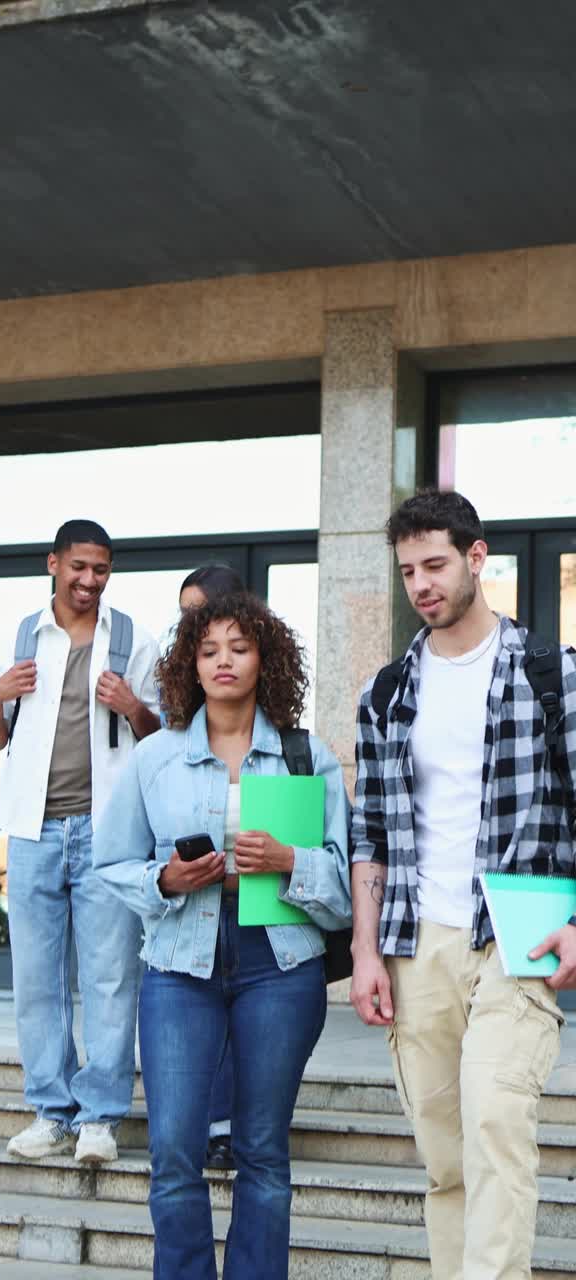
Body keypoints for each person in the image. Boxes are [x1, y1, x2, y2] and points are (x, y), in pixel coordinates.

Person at [350, 488, 576, 1280]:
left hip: (516, 934)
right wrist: (366, 951)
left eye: (435, 563)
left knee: (495, 1125)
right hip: (419, 944)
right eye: (408, 569)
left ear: (478, 558)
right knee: (444, 1156)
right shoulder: (386, 694)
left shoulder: (553, 676)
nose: (421, 583)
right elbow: (369, 835)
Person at [93, 592, 351, 1280]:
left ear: (264, 658)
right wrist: (166, 881)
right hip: (179, 964)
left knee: (262, 1150)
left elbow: (347, 881)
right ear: (190, 666)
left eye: (239, 648)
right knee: (175, 1150)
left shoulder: (307, 756)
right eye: (209, 651)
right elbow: (110, 863)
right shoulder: (155, 759)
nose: (224, 662)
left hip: (280, 963)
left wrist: (292, 863)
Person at [0, 518, 161, 1163]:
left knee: (110, 976)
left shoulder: (133, 638)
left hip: (108, 834)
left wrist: (133, 706)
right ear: (53, 564)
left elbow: (160, 737)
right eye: (78, 566)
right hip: (33, 829)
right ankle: (51, 1113)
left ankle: (100, 1119)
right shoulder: (21, 635)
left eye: (100, 569)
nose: (88, 580)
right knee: (37, 981)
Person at [177, 564, 246, 1170]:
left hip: (254, 903)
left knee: (240, 1024)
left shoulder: (272, 724)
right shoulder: (174, 728)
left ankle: (227, 1125)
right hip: (187, 901)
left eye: (196, 610)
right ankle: (201, 1121)